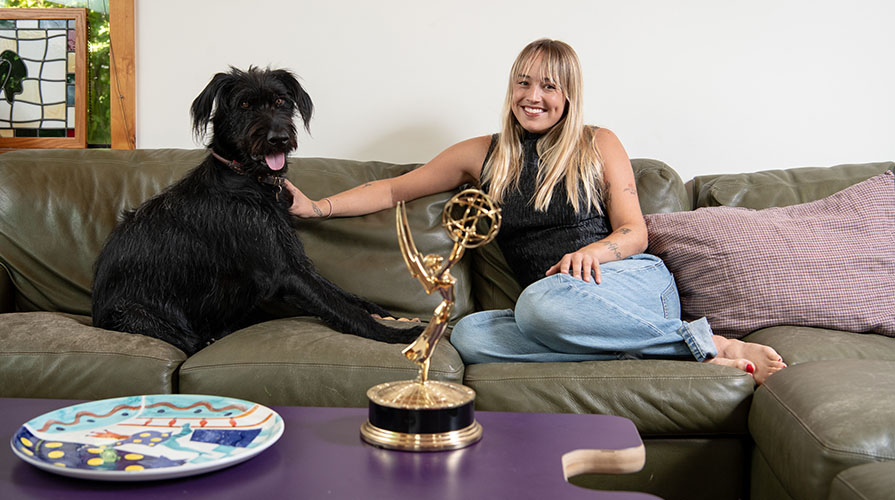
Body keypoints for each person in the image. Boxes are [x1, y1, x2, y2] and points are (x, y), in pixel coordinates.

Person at [284, 39, 786, 384]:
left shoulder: (597, 142)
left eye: (548, 86)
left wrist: (595, 252)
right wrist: (315, 206)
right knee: (471, 333)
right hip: (555, 305)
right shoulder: (483, 154)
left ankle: (710, 343)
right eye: (524, 83)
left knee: (537, 305)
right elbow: (394, 189)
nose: (533, 97)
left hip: (629, 285)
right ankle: (666, 351)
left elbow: (635, 232)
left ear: (568, 94)